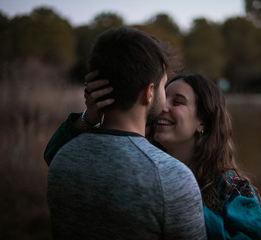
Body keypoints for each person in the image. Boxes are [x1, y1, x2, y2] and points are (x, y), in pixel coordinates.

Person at [45, 73, 261, 239]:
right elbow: (55, 156)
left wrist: (179, 200)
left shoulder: (232, 189)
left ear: (203, 121)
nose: (163, 108)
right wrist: (89, 117)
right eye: (162, 100)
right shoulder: (139, 164)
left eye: (178, 102)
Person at [46, 27, 207, 240]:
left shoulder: (63, 158)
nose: (166, 101)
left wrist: (88, 118)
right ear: (149, 93)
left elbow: (52, 153)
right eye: (163, 86)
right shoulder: (170, 178)